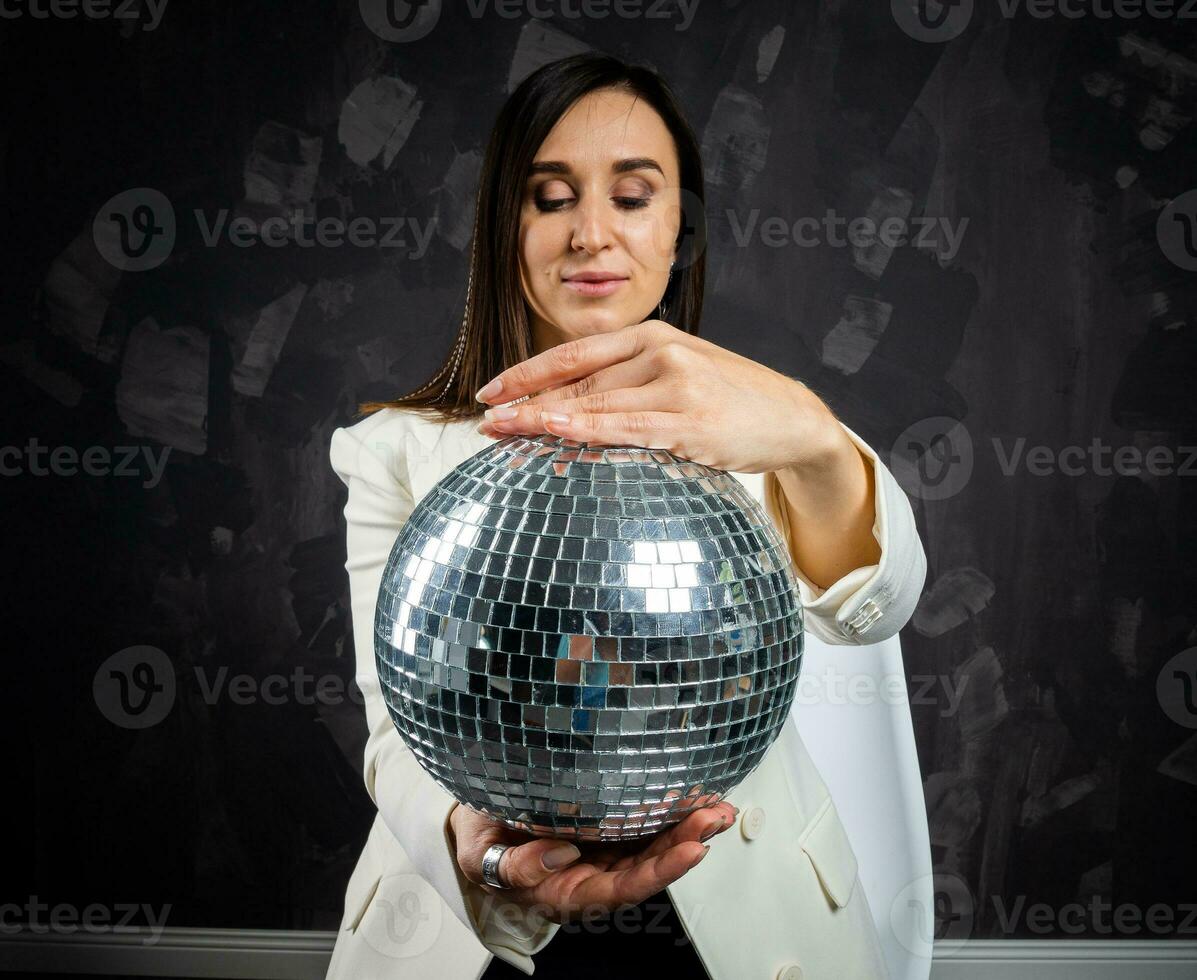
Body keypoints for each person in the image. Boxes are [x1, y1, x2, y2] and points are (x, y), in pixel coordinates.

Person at [326, 52, 926, 980]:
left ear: (680, 223)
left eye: (633, 196)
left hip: (745, 916)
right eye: (550, 196)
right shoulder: (395, 451)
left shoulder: (752, 417)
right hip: (479, 935)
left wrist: (810, 432)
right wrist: (486, 857)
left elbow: (875, 607)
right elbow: (393, 728)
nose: (590, 234)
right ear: (503, 228)